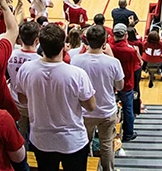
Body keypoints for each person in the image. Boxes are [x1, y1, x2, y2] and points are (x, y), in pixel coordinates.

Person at [13, 24, 96, 170]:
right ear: (64, 45)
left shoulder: (26, 69)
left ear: (40, 43)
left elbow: (22, 100)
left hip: (41, 140)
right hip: (72, 140)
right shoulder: (77, 74)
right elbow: (91, 106)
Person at [70, 26, 124, 171]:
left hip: (84, 111)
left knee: (83, 144)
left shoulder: (76, 60)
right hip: (106, 111)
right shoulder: (113, 62)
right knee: (106, 145)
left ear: (86, 41)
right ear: (105, 42)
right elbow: (120, 86)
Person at [110, 25, 140, 143]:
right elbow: (137, 66)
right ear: (125, 35)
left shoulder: (109, 47)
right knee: (128, 108)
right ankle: (128, 134)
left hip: (111, 84)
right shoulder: (131, 51)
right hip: (127, 83)